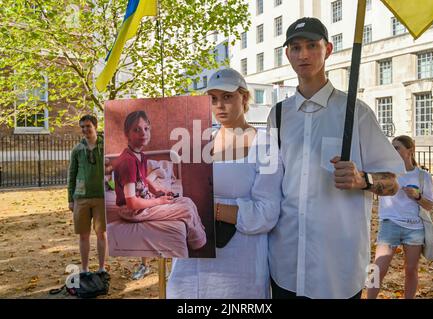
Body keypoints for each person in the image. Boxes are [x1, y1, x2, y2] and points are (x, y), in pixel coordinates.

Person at [267, 17, 405, 299]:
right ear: (287, 54)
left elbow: (393, 182)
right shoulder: (278, 115)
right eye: (295, 47)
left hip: (337, 270)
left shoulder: (357, 112)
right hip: (285, 265)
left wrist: (362, 179)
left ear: (328, 49)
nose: (303, 54)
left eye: (311, 46)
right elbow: (269, 182)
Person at [167, 68, 283, 298]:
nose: (219, 105)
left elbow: (267, 213)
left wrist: (212, 210)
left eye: (227, 97)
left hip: (241, 269)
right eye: (213, 99)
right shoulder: (197, 143)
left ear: (245, 97)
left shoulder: (266, 145)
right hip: (192, 266)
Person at [113, 111, 207, 261]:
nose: (143, 133)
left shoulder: (140, 155)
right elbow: (131, 203)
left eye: (146, 128)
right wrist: (158, 202)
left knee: (187, 201)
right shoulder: (127, 162)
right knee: (187, 209)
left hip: (144, 202)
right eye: (136, 129)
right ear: (127, 134)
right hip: (133, 211)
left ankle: (198, 243)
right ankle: (199, 249)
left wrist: (156, 190)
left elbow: (142, 179)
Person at [367, 136, 433, 299]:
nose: (393, 150)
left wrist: (417, 197)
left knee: (411, 270)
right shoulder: (386, 171)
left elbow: (430, 205)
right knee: (377, 269)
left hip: (414, 228)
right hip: (390, 224)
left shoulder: (423, 176)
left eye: (397, 148)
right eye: (392, 147)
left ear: (410, 151)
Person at [68, 114, 108, 275]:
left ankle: (101, 268)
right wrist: (70, 199)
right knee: (83, 235)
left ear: (95, 127)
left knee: (101, 234)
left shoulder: (106, 146)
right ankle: (84, 269)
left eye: (88, 126)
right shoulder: (77, 150)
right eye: (83, 127)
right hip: (81, 198)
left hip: (101, 196)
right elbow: (71, 174)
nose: (85, 130)